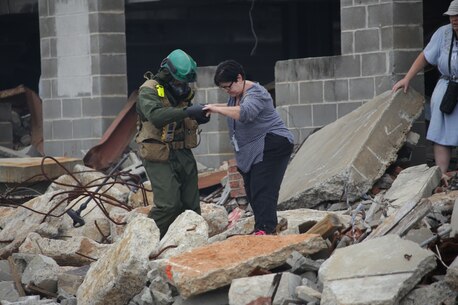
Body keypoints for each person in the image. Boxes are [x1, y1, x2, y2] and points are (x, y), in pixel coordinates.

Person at [203, 60, 294, 235]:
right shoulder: (236, 95)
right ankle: (261, 227)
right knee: (252, 190)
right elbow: (233, 107)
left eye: (228, 86)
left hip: (273, 143)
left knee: (263, 188)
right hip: (253, 148)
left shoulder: (257, 94)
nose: (226, 91)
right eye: (223, 88)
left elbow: (244, 113)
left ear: (239, 78)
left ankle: (265, 230)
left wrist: (216, 108)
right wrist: (211, 108)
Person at [135, 49, 209, 238]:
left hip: (182, 152)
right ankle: (143, 240)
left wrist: (199, 116)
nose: (181, 86)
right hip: (158, 152)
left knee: (191, 208)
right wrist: (189, 112)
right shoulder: (149, 90)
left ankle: (187, 245)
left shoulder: (183, 93)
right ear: (167, 74)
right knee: (169, 204)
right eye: (178, 81)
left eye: (184, 83)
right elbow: (157, 117)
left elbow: (183, 116)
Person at [392, 0, 458, 185]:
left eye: (457, 16)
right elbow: (425, 57)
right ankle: (441, 173)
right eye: (452, 16)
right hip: (447, 85)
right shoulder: (443, 34)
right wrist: (407, 78)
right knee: (441, 131)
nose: (454, 20)